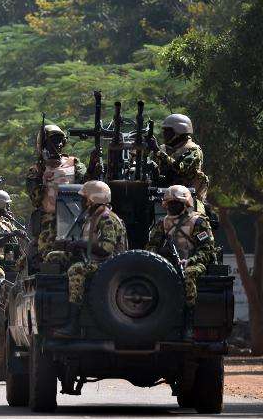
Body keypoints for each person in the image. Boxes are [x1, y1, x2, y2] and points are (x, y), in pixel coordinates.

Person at [50, 181, 128, 337]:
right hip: (95, 259)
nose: (82, 201)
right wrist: (70, 245)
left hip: (109, 264)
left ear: (93, 199)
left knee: (76, 270)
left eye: (84, 198)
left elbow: (106, 249)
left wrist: (80, 244)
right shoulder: (93, 217)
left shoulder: (106, 218)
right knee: (54, 256)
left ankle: (73, 323)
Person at [145, 185, 215, 338]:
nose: (172, 206)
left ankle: (188, 322)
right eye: (170, 203)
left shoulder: (198, 222)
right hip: (167, 265)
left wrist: (190, 261)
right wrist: (159, 254)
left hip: (194, 264)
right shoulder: (162, 223)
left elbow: (207, 250)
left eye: (176, 203)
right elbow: (151, 246)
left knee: (188, 275)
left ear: (185, 204)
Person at [26, 124, 87, 262]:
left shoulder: (75, 164)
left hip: (73, 218)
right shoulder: (37, 169)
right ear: (43, 144)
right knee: (47, 259)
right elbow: (35, 200)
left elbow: (86, 187)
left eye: (60, 140)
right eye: (53, 141)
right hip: (48, 221)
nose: (58, 144)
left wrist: (93, 169)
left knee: (75, 256)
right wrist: (42, 179)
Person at [147, 114, 209, 214]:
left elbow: (180, 168)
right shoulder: (163, 149)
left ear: (179, 132)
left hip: (188, 201)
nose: (164, 133)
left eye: (167, 131)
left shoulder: (193, 150)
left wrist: (158, 152)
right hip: (162, 197)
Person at [0, 190, 26, 269]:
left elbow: (15, 236)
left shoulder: (6, 220)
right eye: (7, 205)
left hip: (11, 259)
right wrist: (10, 236)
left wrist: (20, 233)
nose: (9, 208)